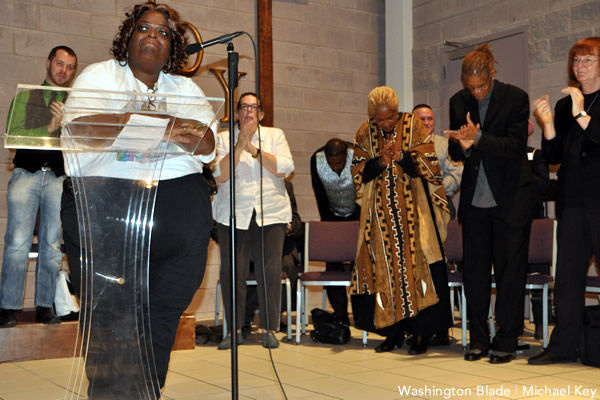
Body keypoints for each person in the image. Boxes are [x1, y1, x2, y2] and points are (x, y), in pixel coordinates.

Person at [60, 2, 217, 396]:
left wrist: (128, 123)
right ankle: (111, 393)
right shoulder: (100, 76)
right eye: (144, 28)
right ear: (128, 36)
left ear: (173, 46)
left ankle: (145, 391)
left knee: (160, 316)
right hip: (106, 204)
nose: (153, 36)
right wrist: (167, 125)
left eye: (163, 32)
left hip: (178, 207)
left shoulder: (185, 89)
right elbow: (83, 128)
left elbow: (206, 142)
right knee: (110, 314)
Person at [447, 44, 536, 364]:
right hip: (474, 203)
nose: (476, 92)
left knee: (510, 274)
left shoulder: (515, 98)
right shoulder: (458, 102)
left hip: (510, 200)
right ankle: (478, 339)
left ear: (493, 74)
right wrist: (462, 144)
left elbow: (515, 147)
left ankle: (507, 339)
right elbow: (456, 153)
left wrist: (479, 138)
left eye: (481, 86)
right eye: (471, 87)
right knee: (475, 275)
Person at [351, 86, 452, 355]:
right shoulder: (364, 132)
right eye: (380, 119)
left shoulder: (413, 124)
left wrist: (402, 157)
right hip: (379, 219)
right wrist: (380, 162)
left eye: (390, 117)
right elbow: (358, 173)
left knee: (418, 271)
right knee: (385, 273)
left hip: (415, 216)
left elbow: (429, 166)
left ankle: (420, 334)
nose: (386, 123)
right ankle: (392, 333)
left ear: (397, 111)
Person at [528, 37, 600, 365]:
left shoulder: (577, 106)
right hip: (572, 203)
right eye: (576, 60)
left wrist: (581, 112)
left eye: (587, 60)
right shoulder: (563, 105)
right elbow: (554, 157)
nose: (579, 66)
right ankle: (563, 347)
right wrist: (547, 125)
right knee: (567, 280)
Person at [0, 46, 78, 328]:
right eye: (59, 64)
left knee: (52, 245)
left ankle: (45, 306)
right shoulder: (25, 96)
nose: (63, 70)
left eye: (69, 67)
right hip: (26, 174)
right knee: (17, 243)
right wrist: (51, 126)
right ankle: (8, 307)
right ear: (48, 63)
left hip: (58, 178)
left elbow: (83, 141)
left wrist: (69, 125)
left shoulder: (76, 102)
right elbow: (13, 135)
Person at [212, 92, 294, 350]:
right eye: (244, 107)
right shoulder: (223, 138)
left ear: (261, 114)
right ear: (237, 113)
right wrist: (239, 146)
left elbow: (284, 168)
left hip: (271, 211)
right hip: (232, 213)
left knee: (269, 271)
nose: (248, 111)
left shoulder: (275, 135)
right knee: (231, 271)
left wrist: (253, 149)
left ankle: (269, 329)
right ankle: (234, 329)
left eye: (254, 107)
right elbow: (219, 176)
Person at [243, 179, 304, 335]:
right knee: (248, 265)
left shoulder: (285, 186)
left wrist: (290, 227)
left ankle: (275, 317)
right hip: (251, 245)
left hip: (281, 246)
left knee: (287, 266)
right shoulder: (244, 184)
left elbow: (296, 219)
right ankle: (244, 319)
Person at [309, 138, 359, 325]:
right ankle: (341, 316)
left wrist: (362, 221)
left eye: (339, 163)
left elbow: (364, 189)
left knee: (359, 267)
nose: (335, 168)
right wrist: (328, 225)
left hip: (358, 214)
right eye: (331, 164)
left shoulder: (357, 155)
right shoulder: (317, 159)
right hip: (332, 215)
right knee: (333, 266)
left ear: (346, 155)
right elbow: (319, 193)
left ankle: (360, 315)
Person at [412, 104, 463, 220]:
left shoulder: (446, 145)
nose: (427, 123)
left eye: (430, 119)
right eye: (422, 119)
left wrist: (434, 190)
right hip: (412, 205)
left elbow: (457, 174)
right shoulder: (404, 147)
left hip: (441, 204)